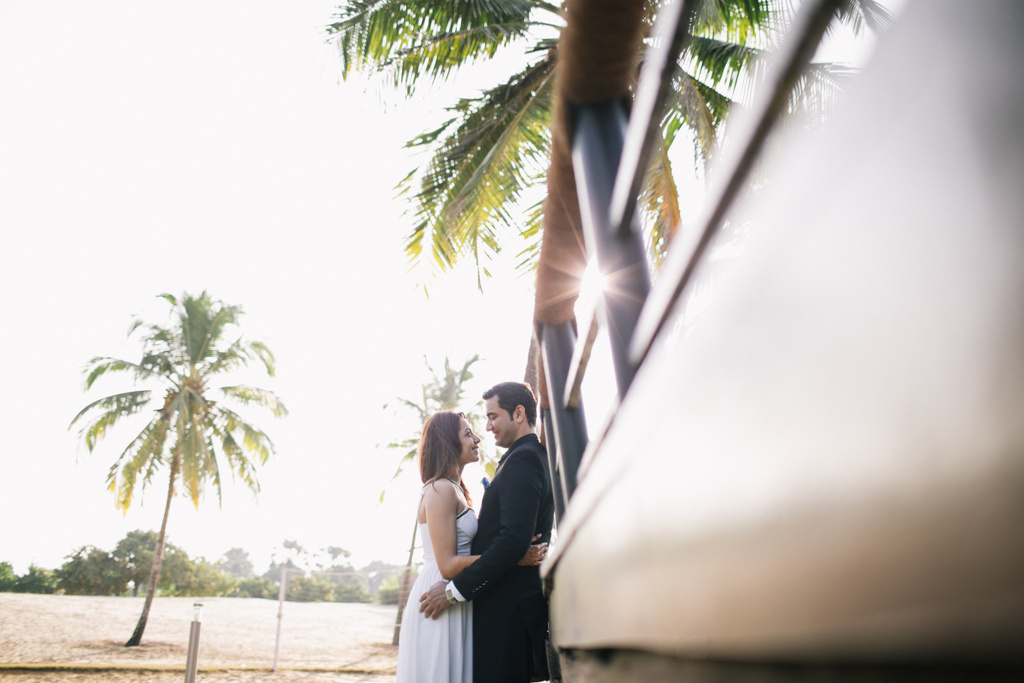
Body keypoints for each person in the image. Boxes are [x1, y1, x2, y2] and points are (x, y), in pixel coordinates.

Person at [397, 410, 546, 683]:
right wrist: (513, 557)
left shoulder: (455, 488)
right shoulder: (440, 490)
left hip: (457, 594)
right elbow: (448, 564)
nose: (477, 438)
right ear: (447, 443)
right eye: (468, 434)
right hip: (440, 591)